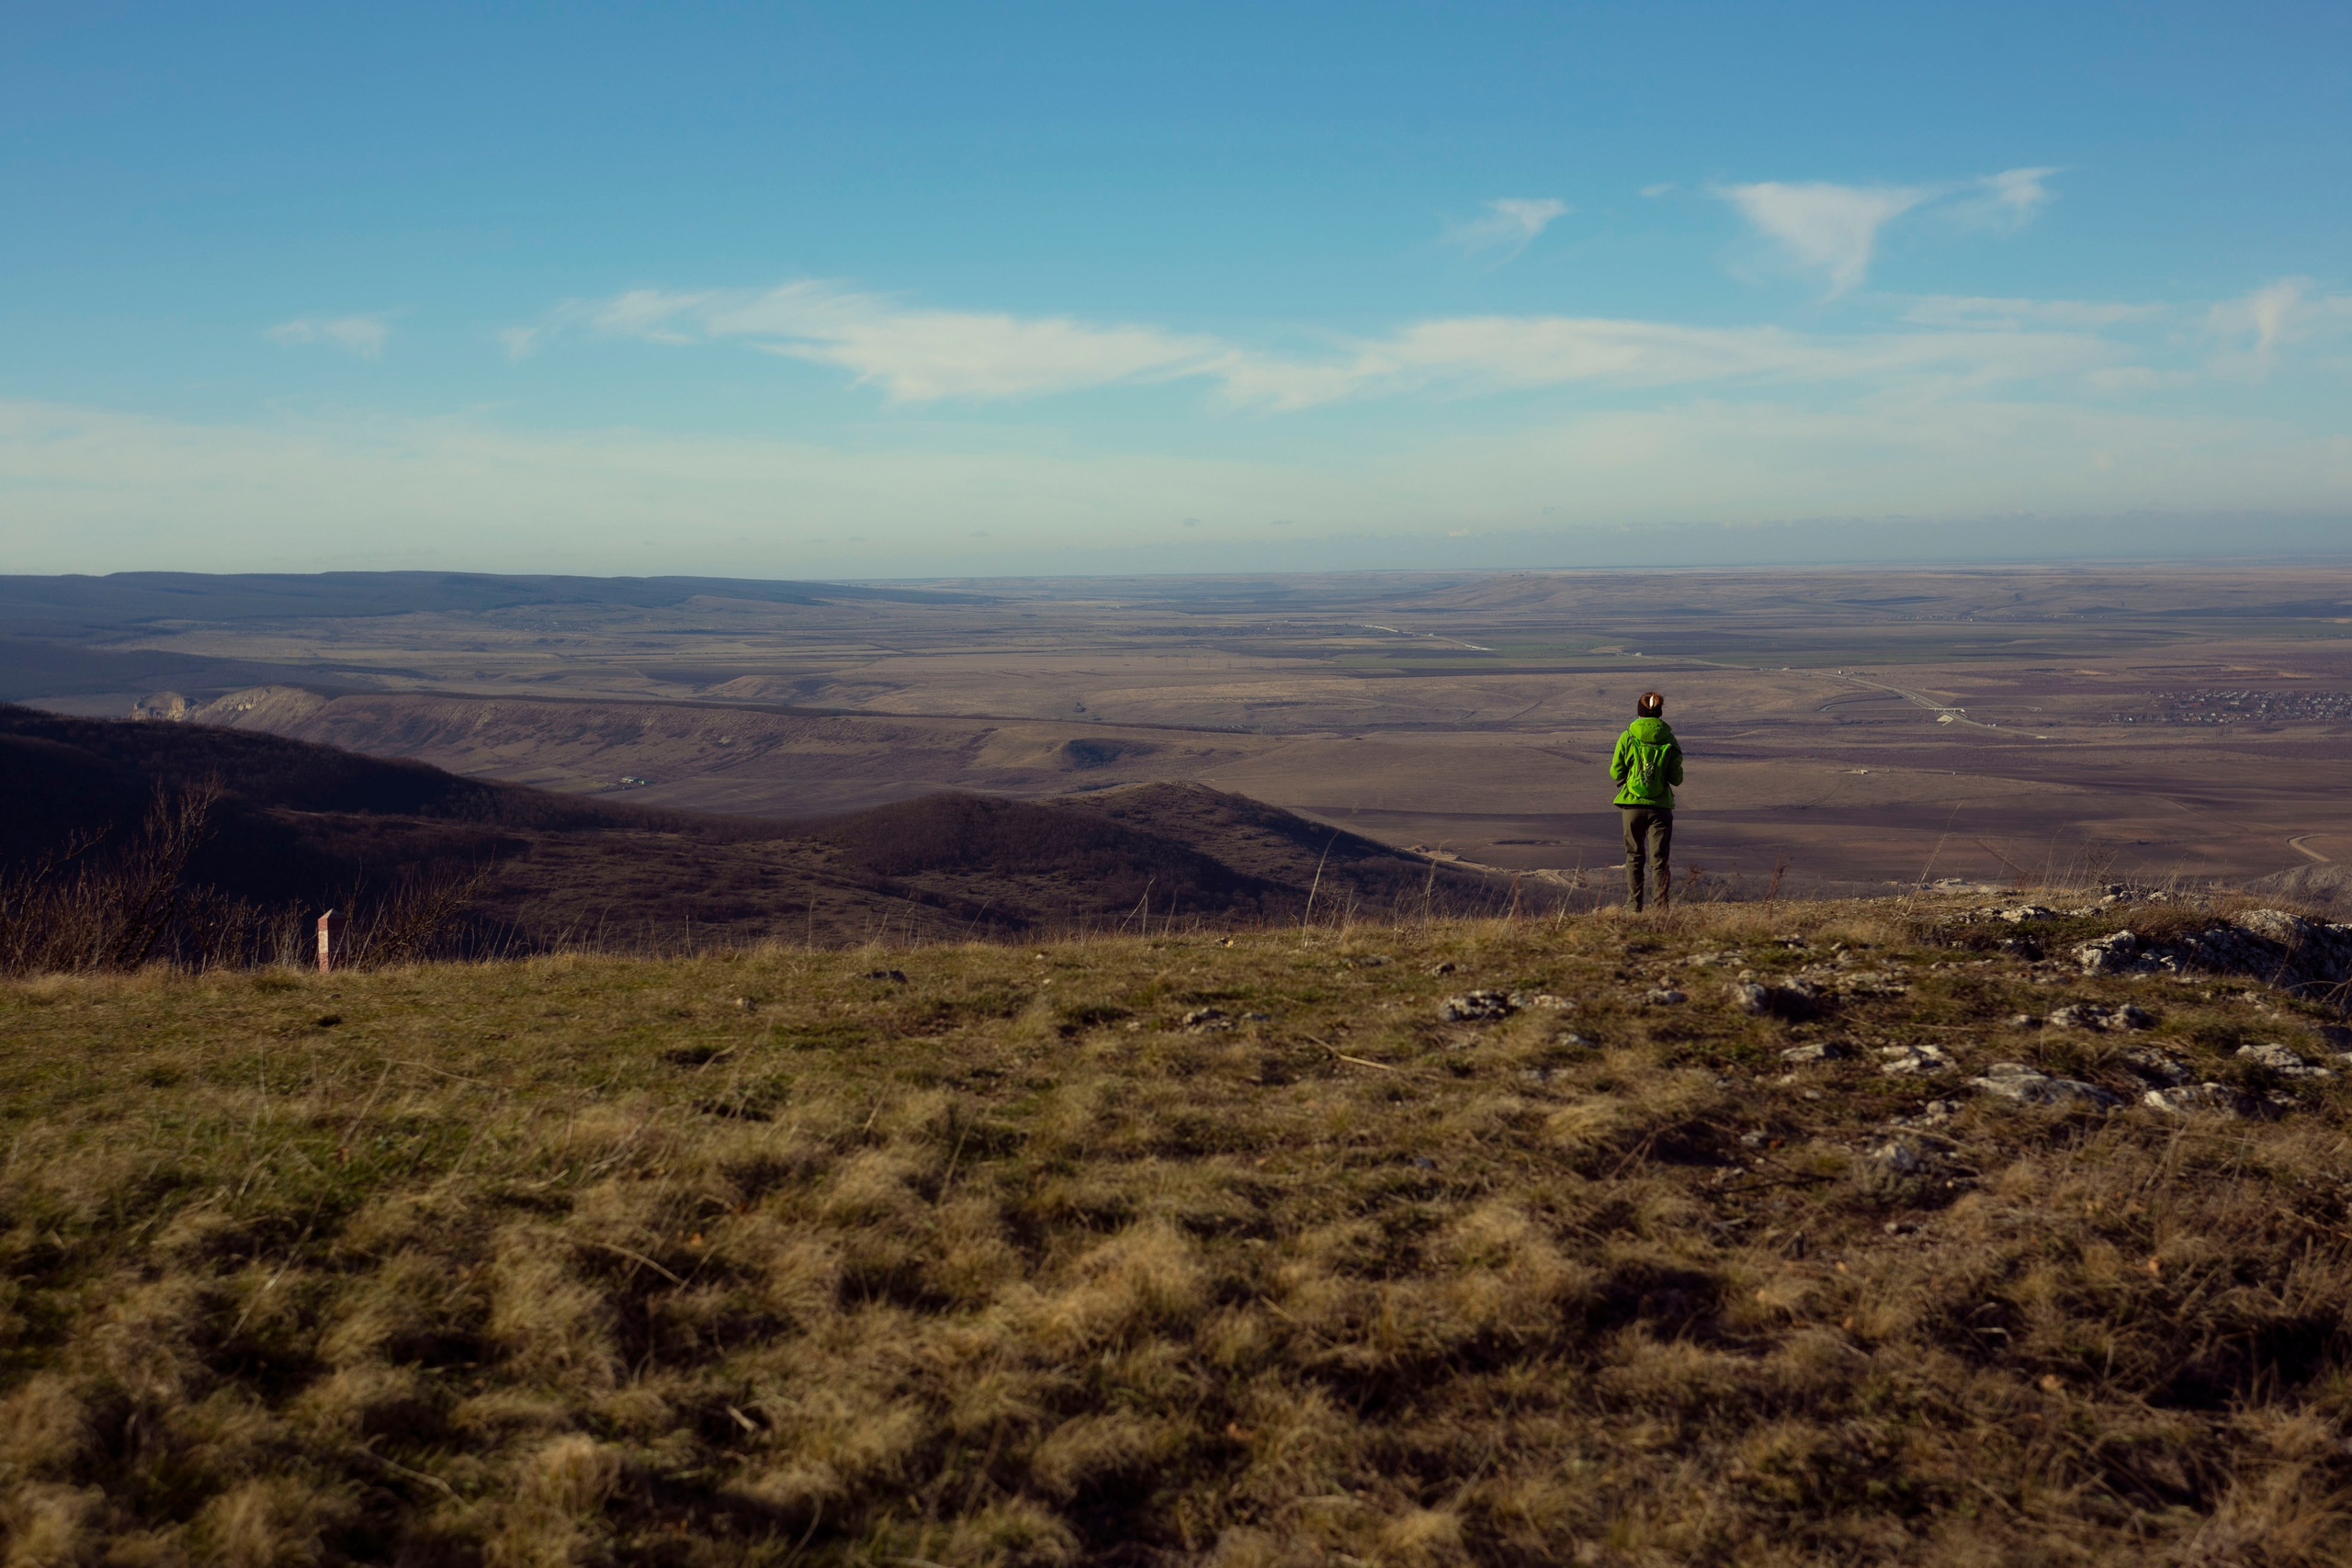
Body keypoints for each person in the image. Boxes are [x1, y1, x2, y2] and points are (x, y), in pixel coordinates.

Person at [1610, 691, 1682, 911]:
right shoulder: (1669, 739)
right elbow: (1676, 779)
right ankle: (1660, 909)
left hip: (1632, 806)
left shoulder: (1627, 736)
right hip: (1661, 808)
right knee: (1659, 860)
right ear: (1660, 712)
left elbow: (1615, 772)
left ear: (1639, 712)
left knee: (1634, 857)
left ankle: (1634, 908)